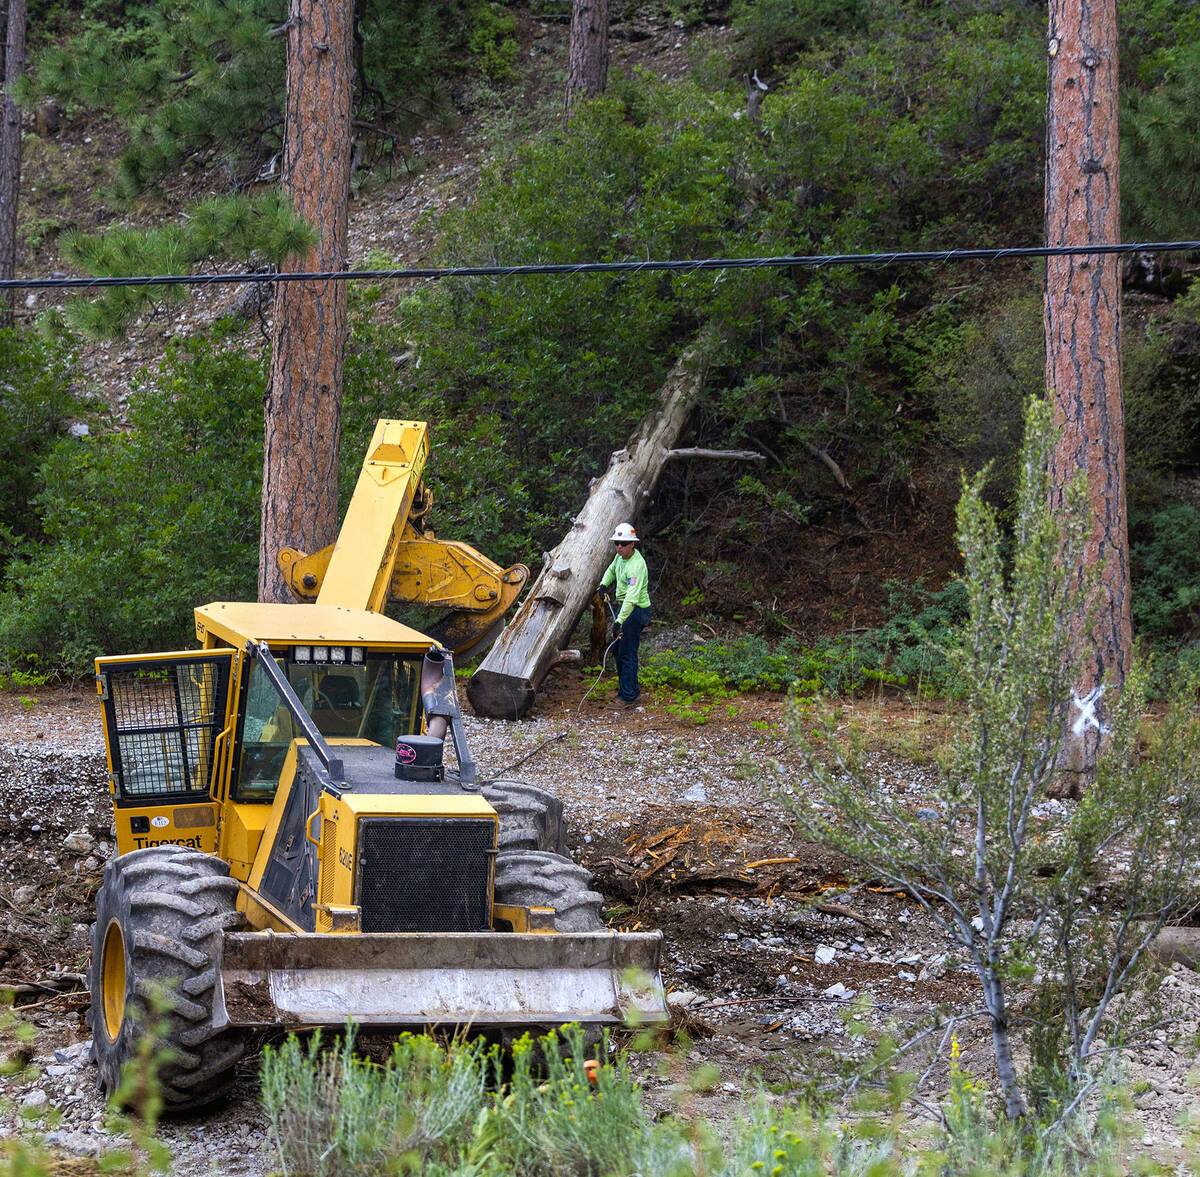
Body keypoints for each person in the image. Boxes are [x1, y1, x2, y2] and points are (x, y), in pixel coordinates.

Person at [599, 523, 651, 706]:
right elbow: (612, 569)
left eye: (623, 543)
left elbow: (632, 597)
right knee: (618, 650)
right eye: (616, 543)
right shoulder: (620, 557)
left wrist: (619, 620)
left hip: (636, 610)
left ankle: (628, 697)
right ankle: (629, 691)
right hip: (625, 608)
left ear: (632, 544)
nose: (619, 546)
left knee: (627, 652)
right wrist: (603, 585)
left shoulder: (636, 565)